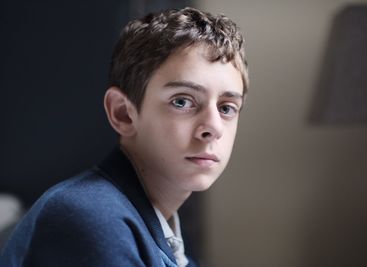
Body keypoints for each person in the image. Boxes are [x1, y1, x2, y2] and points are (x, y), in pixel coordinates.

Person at [0, 7, 249, 267]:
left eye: (226, 108)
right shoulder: (91, 220)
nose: (213, 127)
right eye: (182, 101)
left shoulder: (164, 230)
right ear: (123, 114)